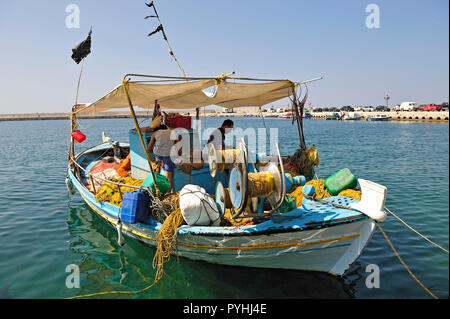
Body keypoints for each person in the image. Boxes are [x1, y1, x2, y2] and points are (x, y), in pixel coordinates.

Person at [147, 124, 176, 192]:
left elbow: (148, 149)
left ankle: (155, 190)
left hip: (158, 154)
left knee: (156, 172)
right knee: (168, 177)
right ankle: (168, 193)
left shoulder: (155, 133)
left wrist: (154, 152)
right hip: (168, 154)